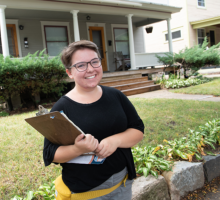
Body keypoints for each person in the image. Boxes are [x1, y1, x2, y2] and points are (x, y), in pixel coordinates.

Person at [43, 40, 144, 200]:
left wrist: (115, 141)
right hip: (86, 192)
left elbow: (137, 129)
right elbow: (51, 153)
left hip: (123, 184)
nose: (90, 69)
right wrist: (78, 149)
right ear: (69, 72)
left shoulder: (116, 96)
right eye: (81, 65)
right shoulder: (61, 108)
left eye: (94, 62)